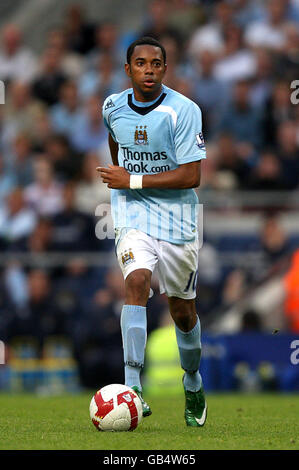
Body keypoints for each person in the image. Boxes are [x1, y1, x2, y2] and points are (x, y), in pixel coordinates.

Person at [98, 37, 207, 427]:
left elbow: (191, 174)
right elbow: (116, 142)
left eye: (156, 63)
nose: (148, 69)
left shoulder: (183, 111)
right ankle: (132, 388)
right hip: (133, 213)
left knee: (182, 311)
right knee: (137, 281)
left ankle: (192, 381)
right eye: (140, 63)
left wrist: (133, 179)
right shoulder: (111, 107)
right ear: (127, 69)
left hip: (178, 219)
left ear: (165, 68)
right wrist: (125, 182)